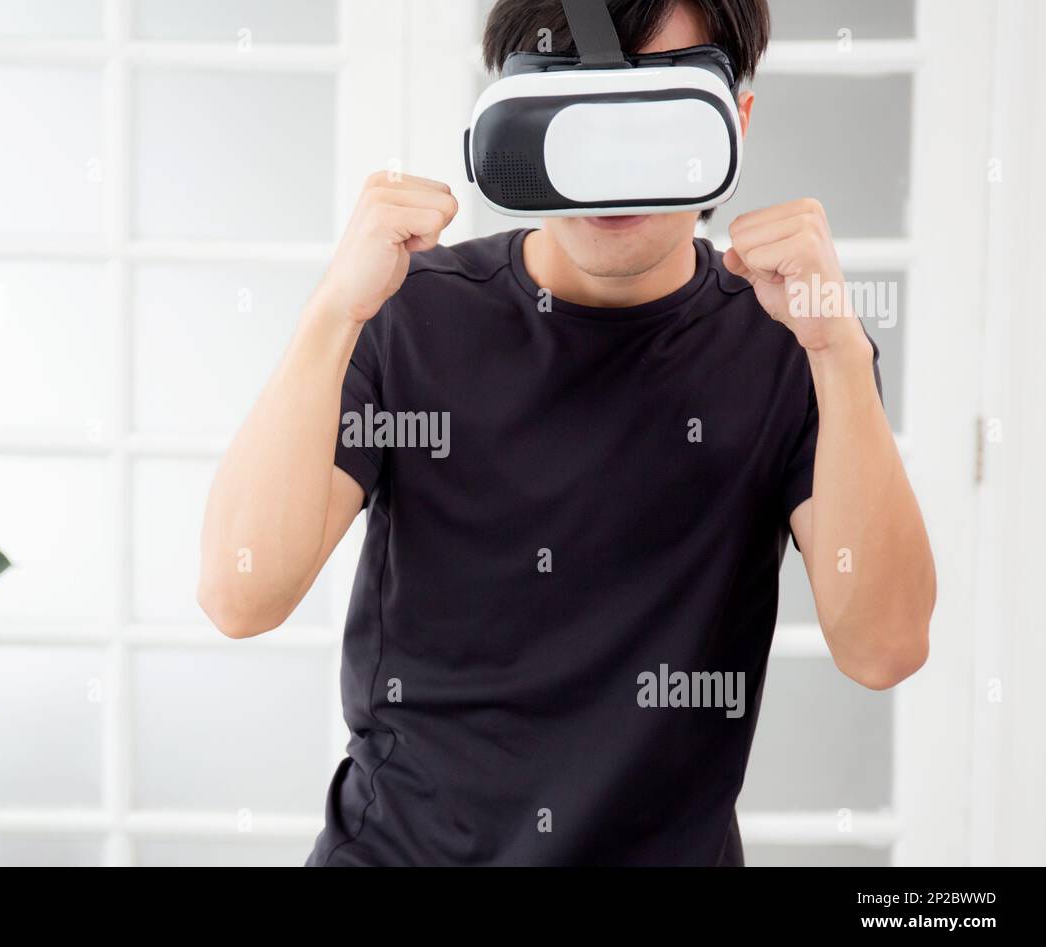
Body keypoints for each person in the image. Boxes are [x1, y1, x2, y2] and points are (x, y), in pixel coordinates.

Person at [198, 0, 935, 865]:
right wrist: (331, 315)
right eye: (576, 113)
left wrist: (837, 350)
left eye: (652, 111)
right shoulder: (406, 314)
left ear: (733, 115)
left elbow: (885, 648)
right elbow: (240, 597)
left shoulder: (793, 349)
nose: (611, 170)